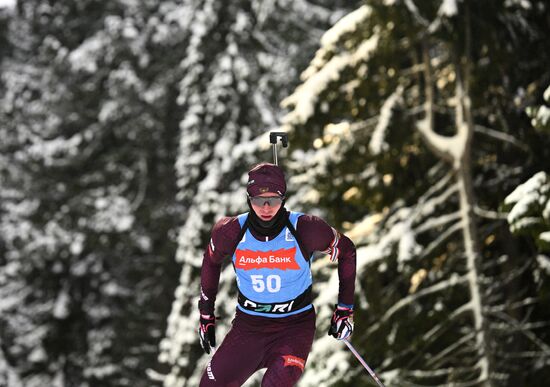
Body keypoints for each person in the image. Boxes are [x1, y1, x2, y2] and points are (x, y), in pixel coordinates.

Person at [198, 162, 357, 387]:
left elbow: (347, 251)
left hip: (294, 328)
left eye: (273, 199)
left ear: (283, 198)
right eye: (257, 200)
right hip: (249, 327)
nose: (265, 207)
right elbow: (211, 261)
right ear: (248, 198)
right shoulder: (230, 231)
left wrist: (345, 309)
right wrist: (206, 314)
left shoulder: (306, 228)